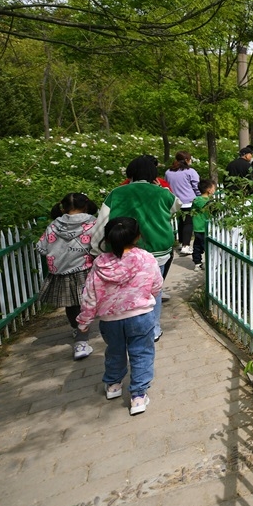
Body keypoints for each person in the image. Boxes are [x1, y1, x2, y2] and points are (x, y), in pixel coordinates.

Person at [77, 217, 161, 416]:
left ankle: (114, 385)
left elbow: (90, 294)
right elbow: (157, 284)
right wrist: (148, 296)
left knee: (114, 351)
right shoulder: (146, 258)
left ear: (108, 238)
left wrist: (84, 322)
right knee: (141, 353)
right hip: (141, 316)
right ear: (138, 236)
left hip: (110, 320)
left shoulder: (100, 263)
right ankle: (138, 396)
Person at [91, 155, 179, 342]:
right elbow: (175, 207)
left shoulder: (117, 193)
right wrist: (161, 188)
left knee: (126, 287)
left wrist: (96, 249)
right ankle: (153, 328)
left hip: (125, 249)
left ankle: (124, 322)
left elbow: (102, 222)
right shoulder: (162, 193)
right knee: (154, 289)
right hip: (158, 249)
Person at [37, 192, 97, 361]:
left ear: (63, 207)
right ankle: (81, 341)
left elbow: (42, 248)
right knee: (88, 303)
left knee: (72, 305)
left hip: (62, 270)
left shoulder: (54, 225)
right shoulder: (93, 223)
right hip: (86, 269)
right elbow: (100, 244)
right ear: (86, 205)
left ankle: (76, 329)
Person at [164, 151, 200, 256]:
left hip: (175, 201)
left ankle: (181, 243)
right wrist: (199, 196)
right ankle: (186, 245)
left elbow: (167, 185)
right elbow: (196, 186)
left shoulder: (168, 172)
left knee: (181, 222)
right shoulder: (190, 172)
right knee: (188, 223)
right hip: (189, 201)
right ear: (186, 160)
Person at [191, 179, 215, 271]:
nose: (214, 190)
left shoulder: (202, 200)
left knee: (197, 245)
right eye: (213, 188)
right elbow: (206, 206)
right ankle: (204, 262)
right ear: (209, 190)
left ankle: (198, 262)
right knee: (204, 246)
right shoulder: (200, 200)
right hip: (202, 227)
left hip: (200, 227)